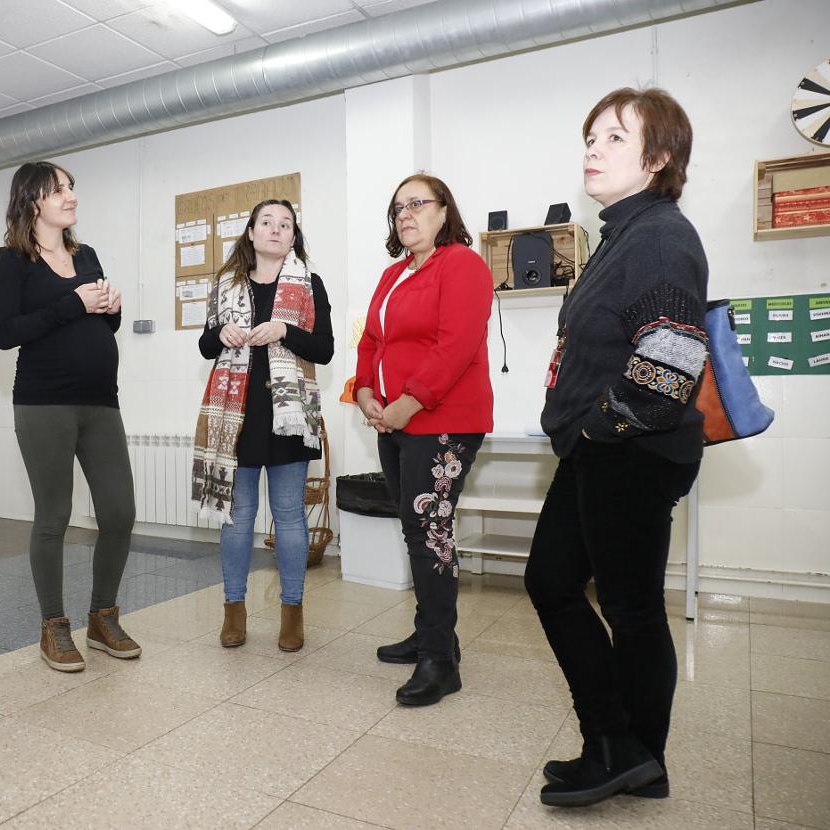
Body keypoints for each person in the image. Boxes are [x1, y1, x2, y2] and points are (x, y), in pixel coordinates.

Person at [525, 88, 708, 808]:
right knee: (552, 583)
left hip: (631, 450)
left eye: (614, 138)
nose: (593, 149)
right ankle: (616, 745)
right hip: (601, 450)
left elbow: (669, 366)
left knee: (630, 610)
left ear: (657, 158)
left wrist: (597, 427)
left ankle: (636, 757)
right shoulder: (621, 235)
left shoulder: (660, 235)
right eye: (591, 137)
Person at [0, 161, 140, 673]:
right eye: (58, 190)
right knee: (53, 516)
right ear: (32, 201)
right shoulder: (10, 262)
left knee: (119, 512)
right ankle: (53, 625)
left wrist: (111, 307)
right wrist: (73, 303)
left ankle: (102, 617)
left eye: (71, 187)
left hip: (101, 402)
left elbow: (102, 324)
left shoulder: (86, 254)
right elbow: (6, 333)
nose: (70, 196)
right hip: (43, 403)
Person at [355, 173, 494, 706]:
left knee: (430, 531)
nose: (405, 215)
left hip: (443, 421)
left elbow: (455, 345)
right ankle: (432, 634)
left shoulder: (462, 265)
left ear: (443, 211)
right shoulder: (393, 275)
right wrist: (365, 391)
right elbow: (371, 340)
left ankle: (441, 661)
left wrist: (407, 403)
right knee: (417, 529)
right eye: (398, 208)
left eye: (417, 204)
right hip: (395, 420)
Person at [193, 199, 334, 653]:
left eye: (285, 224)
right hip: (236, 414)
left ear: (293, 236)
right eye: (267, 222)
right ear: (251, 233)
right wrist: (221, 335)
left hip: (290, 415)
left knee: (289, 515)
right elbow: (205, 344)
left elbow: (325, 349)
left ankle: (292, 611)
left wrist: (284, 332)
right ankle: (233, 610)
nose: (275, 229)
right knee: (238, 517)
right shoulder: (225, 284)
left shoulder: (309, 284)